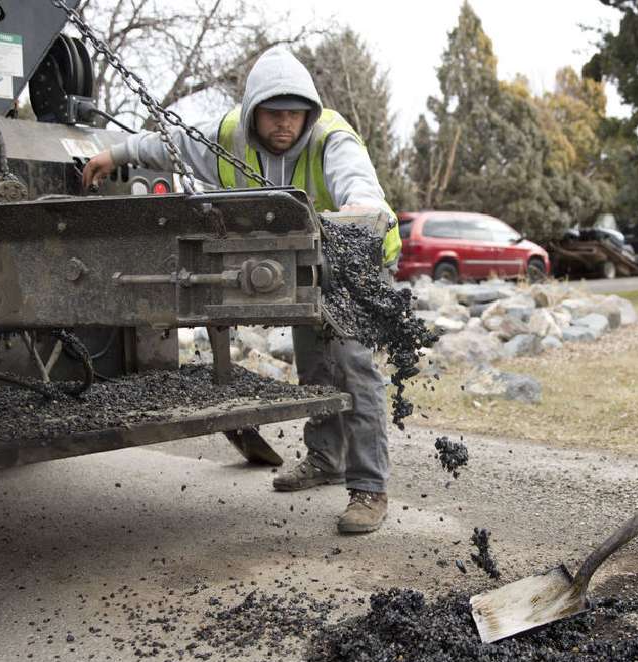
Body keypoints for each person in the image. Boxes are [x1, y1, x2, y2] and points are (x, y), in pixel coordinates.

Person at [83, 47, 402, 535]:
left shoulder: (332, 140)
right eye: (274, 114)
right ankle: (326, 459)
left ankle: (369, 487)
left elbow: (359, 187)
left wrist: (357, 208)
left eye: (294, 115)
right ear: (254, 112)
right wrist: (113, 154)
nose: (284, 125)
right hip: (302, 262)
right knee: (314, 363)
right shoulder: (226, 136)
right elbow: (167, 144)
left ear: (308, 114)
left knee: (354, 366)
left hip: (356, 256)